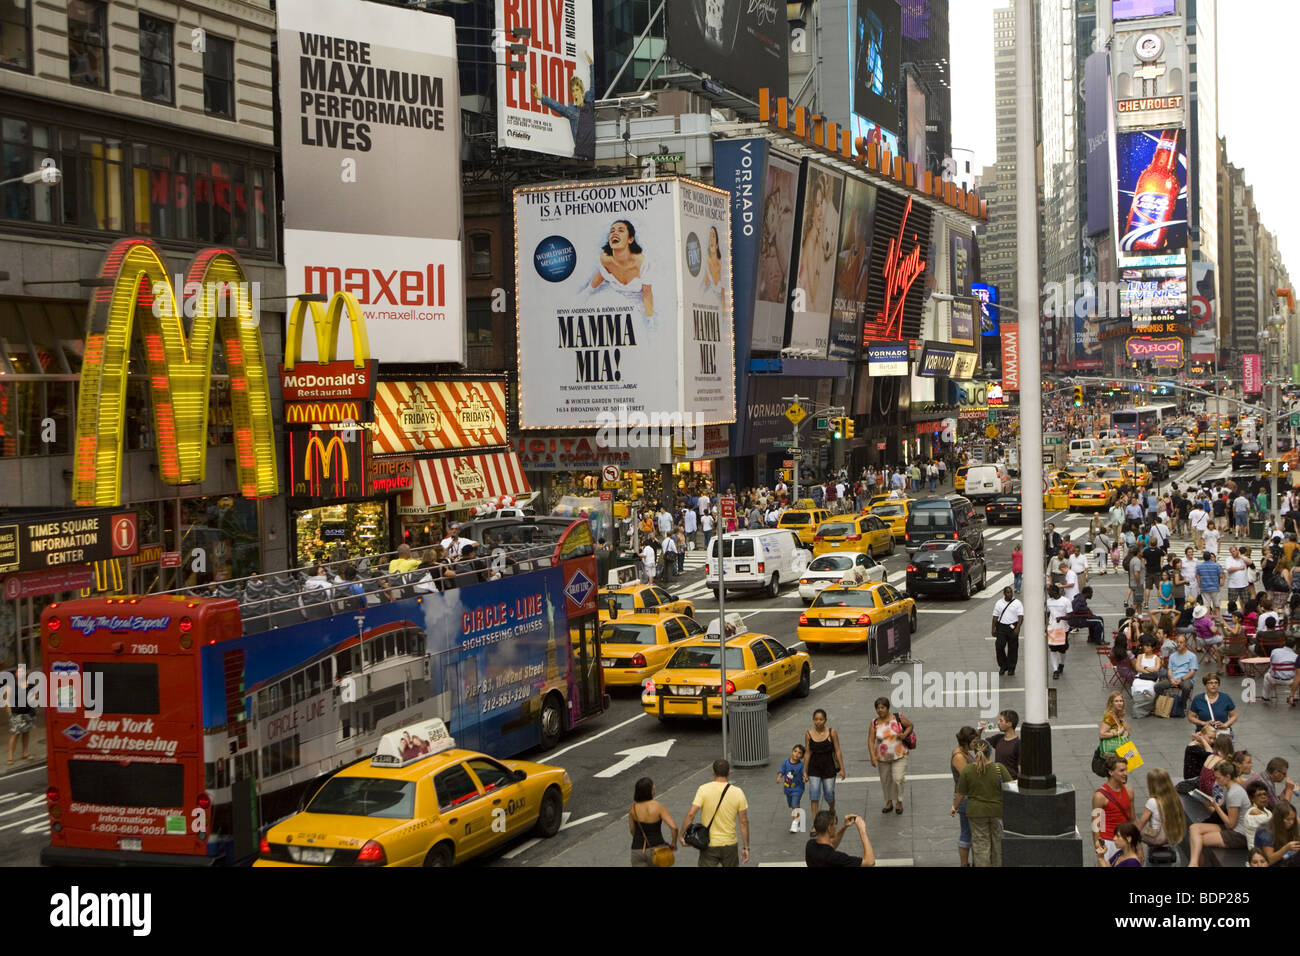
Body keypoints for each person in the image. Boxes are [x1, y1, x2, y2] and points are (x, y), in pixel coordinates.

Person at [951, 738, 1013, 867]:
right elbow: (1010, 787)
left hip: (976, 812)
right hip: (996, 811)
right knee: (997, 843)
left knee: (980, 845)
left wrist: (954, 807)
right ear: (989, 752)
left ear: (975, 752)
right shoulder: (998, 768)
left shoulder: (967, 770)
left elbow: (961, 792)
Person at [682, 759, 749, 867]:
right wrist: (746, 847)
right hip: (729, 844)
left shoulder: (703, 789)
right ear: (729, 772)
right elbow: (743, 821)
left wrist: (682, 835)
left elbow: (691, 814)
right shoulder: (738, 792)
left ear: (713, 772)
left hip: (709, 844)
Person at [1188, 761, 1251, 866]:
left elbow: (1231, 824)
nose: (1216, 781)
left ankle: (1193, 864)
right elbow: (1220, 809)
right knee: (1194, 828)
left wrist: (1215, 806)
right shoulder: (1228, 788)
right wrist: (1210, 804)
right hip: (1231, 828)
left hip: (1239, 835)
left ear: (1227, 777)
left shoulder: (1235, 794)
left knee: (1199, 841)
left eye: (1218, 778)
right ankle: (1194, 864)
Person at [869, 697, 913, 814]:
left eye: (882, 707)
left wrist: (904, 734)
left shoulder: (897, 717)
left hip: (899, 754)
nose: (880, 710)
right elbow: (870, 740)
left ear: (887, 708)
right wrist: (872, 756)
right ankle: (889, 802)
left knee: (898, 778)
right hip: (882, 757)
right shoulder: (874, 723)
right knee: (886, 780)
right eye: (878, 708)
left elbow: (910, 725)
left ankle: (899, 801)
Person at [802, 709, 846, 822]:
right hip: (814, 768)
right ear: (813, 720)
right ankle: (815, 822)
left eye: (821, 719)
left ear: (825, 720)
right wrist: (804, 771)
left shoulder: (832, 732)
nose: (818, 722)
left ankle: (832, 809)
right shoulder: (808, 734)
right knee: (814, 794)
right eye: (816, 719)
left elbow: (838, 751)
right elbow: (807, 753)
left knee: (829, 793)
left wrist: (842, 769)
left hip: (829, 768)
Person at [1092, 754, 1136, 862]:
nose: (1125, 774)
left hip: (1126, 841)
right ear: (1111, 772)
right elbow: (1096, 825)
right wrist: (1099, 845)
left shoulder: (1129, 791)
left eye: (1126, 770)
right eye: (1121, 771)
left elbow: (1132, 820)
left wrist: (1137, 845)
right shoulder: (1099, 796)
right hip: (1109, 842)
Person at [629, 777, 678, 867]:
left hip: (637, 850)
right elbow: (674, 827)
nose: (654, 787)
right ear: (650, 790)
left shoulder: (633, 808)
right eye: (653, 786)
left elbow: (632, 830)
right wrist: (673, 843)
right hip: (657, 849)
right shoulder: (658, 807)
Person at [1136, 767, 1187, 854]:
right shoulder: (1175, 798)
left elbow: (1141, 823)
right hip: (1172, 837)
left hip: (1156, 839)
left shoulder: (1152, 802)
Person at [805, 810, 875, 867]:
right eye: (835, 824)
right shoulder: (835, 857)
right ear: (829, 828)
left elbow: (830, 846)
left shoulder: (810, 845)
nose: (836, 827)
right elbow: (869, 862)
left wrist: (844, 827)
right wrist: (862, 831)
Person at [951, 726, 979, 867]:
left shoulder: (965, 751)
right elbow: (968, 778)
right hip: (965, 799)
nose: (976, 744)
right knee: (966, 833)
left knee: (971, 832)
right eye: (973, 742)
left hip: (970, 797)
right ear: (966, 742)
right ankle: (964, 864)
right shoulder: (959, 757)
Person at [991, 586, 1024, 677]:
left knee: (1013, 648)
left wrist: (1018, 628)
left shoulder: (1017, 603)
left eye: (1011, 592)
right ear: (1004, 593)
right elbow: (995, 616)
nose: (1010, 594)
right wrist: (993, 628)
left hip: (1013, 626)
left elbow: (1020, 616)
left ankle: (1011, 668)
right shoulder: (999, 603)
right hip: (1001, 627)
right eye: (1008, 592)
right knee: (999, 646)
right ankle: (1003, 665)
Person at [3, 673, 35, 764]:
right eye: (18, 673)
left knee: (26, 732)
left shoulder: (29, 683)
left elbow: (35, 696)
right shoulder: (12, 685)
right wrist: (10, 713)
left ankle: (25, 753)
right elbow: (7, 699)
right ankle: (10, 757)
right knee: (15, 734)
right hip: (16, 714)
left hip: (28, 713)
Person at [1046, 583, 1073, 679]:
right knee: (1053, 649)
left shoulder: (1065, 601)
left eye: (1050, 592)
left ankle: (1062, 663)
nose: (1048, 593)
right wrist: (1046, 625)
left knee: (1062, 649)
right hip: (1053, 628)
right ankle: (1055, 669)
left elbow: (1070, 615)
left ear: (1055, 592)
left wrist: (1062, 617)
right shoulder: (1049, 602)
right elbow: (1047, 614)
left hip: (1063, 628)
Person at [777, 745, 806, 833]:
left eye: (799, 753)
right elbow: (782, 770)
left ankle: (795, 823)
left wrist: (805, 777)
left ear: (802, 756)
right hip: (788, 789)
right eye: (795, 751)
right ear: (792, 751)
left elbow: (804, 773)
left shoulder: (801, 765)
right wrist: (779, 777)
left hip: (798, 789)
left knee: (794, 804)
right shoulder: (786, 762)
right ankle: (797, 815)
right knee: (792, 805)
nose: (796, 754)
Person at [985, 710, 1021, 780]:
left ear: (1009, 724)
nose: (998, 722)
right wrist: (980, 729)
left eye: (1001, 721)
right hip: (997, 782)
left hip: (1011, 783)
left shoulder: (1019, 744)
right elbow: (979, 744)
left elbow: (1020, 770)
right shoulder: (998, 738)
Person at [1098, 690, 1132, 763]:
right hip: (1113, 753)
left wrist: (1122, 719)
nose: (1119, 703)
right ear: (1111, 703)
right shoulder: (1109, 717)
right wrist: (1117, 733)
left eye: (1121, 701)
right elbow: (1101, 734)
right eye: (1116, 701)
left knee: (1130, 762)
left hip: (1120, 750)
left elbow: (1129, 733)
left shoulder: (1118, 715)